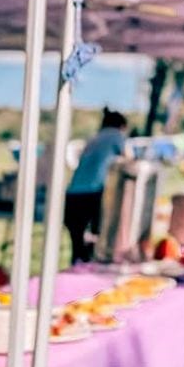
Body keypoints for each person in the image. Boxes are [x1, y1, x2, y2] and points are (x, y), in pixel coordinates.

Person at [64, 108, 128, 264]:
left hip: (73, 193)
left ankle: (77, 272)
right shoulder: (116, 136)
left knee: (78, 245)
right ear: (121, 126)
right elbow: (129, 161)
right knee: (96, 242)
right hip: (94, 193)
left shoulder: (94, 138)